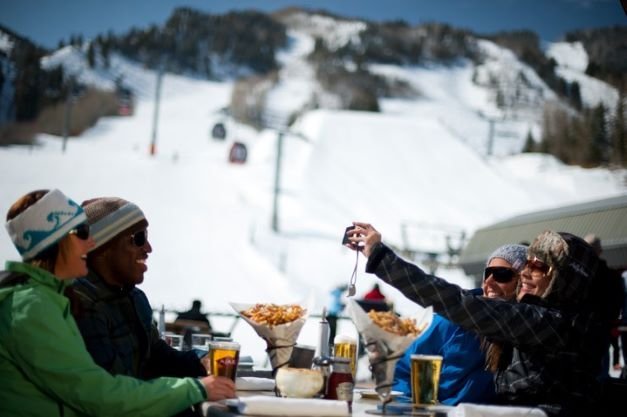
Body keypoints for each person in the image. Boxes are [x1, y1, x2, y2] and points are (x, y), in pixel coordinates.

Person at [0, 189, 235, 417]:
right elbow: (96, 394)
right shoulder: (33, 308)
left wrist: (198, 363)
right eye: (82, 233)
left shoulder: (54, 299)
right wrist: (195, 389)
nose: (89, 242)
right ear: (55, 242)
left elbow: (150, 361)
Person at [346, 222, 614, 417]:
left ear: (565, 278)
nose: (527, 274)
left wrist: (382, 259)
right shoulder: (559, 319)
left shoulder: (552, 323)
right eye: (527, 264)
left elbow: (459, 304)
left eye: (539, 266)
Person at [70, 197, 209, 383]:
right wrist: (192, 391)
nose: (148, 248)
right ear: (103, 248)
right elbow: (112, 390)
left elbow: (157, 357)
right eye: (139, 238)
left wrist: (203, 360)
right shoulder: (81, 304)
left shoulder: (134, 298)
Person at [393, 244, 527, 405]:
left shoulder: (528, 332)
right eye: (488, 273)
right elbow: (404, 368)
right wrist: (421, 407)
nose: (489, 281)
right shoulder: (452, 322)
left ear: (522, 283)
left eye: (502, 275)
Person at [583, 233, 625, 376]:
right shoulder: (612, 276)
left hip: (584, 330)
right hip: (603, 328)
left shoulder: (577, 275)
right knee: (601, 369)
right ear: (600, 251)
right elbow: (618, 303)